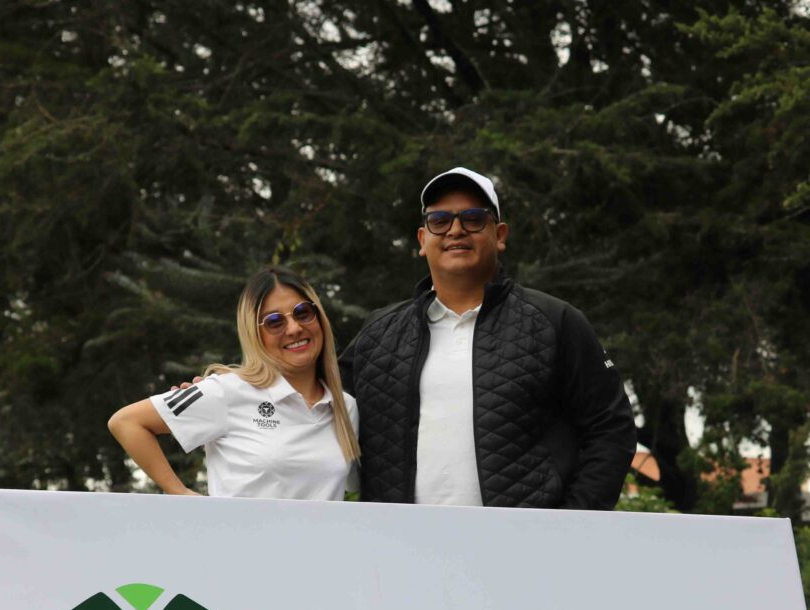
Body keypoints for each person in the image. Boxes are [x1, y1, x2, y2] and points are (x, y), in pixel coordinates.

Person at [339, 166, 636, 509]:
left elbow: (611, 428)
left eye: (473, 218)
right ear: (422, 240)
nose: (455, 230)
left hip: (523, 539)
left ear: (500, 235)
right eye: (440, 220)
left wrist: (570, 522)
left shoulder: (556, 322)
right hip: (400, 539)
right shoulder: (377, 335)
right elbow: (318, 414)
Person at [108, 266, 359, 500]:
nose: (294, 328)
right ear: (254, 333)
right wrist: (181, 494)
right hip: (236, 536)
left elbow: (359, 487)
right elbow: (126, 422)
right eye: (274, 321)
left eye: (302, 312)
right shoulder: (225, 390)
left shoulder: (345, 408)